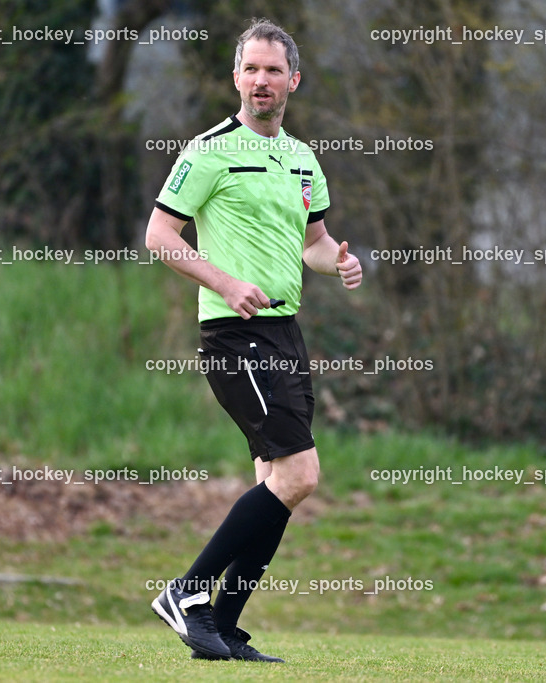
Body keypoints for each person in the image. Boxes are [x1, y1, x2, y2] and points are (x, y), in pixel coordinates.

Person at [145, 18, 363, 663]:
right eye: (250, 69)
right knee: (300, 473)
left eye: (272, 70)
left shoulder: (302, 158)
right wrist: (224, 280)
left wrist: (338, 263)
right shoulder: (208, 151)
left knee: (276, 479)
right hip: (234, 334)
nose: (260, 80)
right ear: (235, 77)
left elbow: (314, 244)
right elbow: (160, 238)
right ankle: (185, 596)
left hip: (285, 332)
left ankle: (222, 626)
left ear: (293, 79)